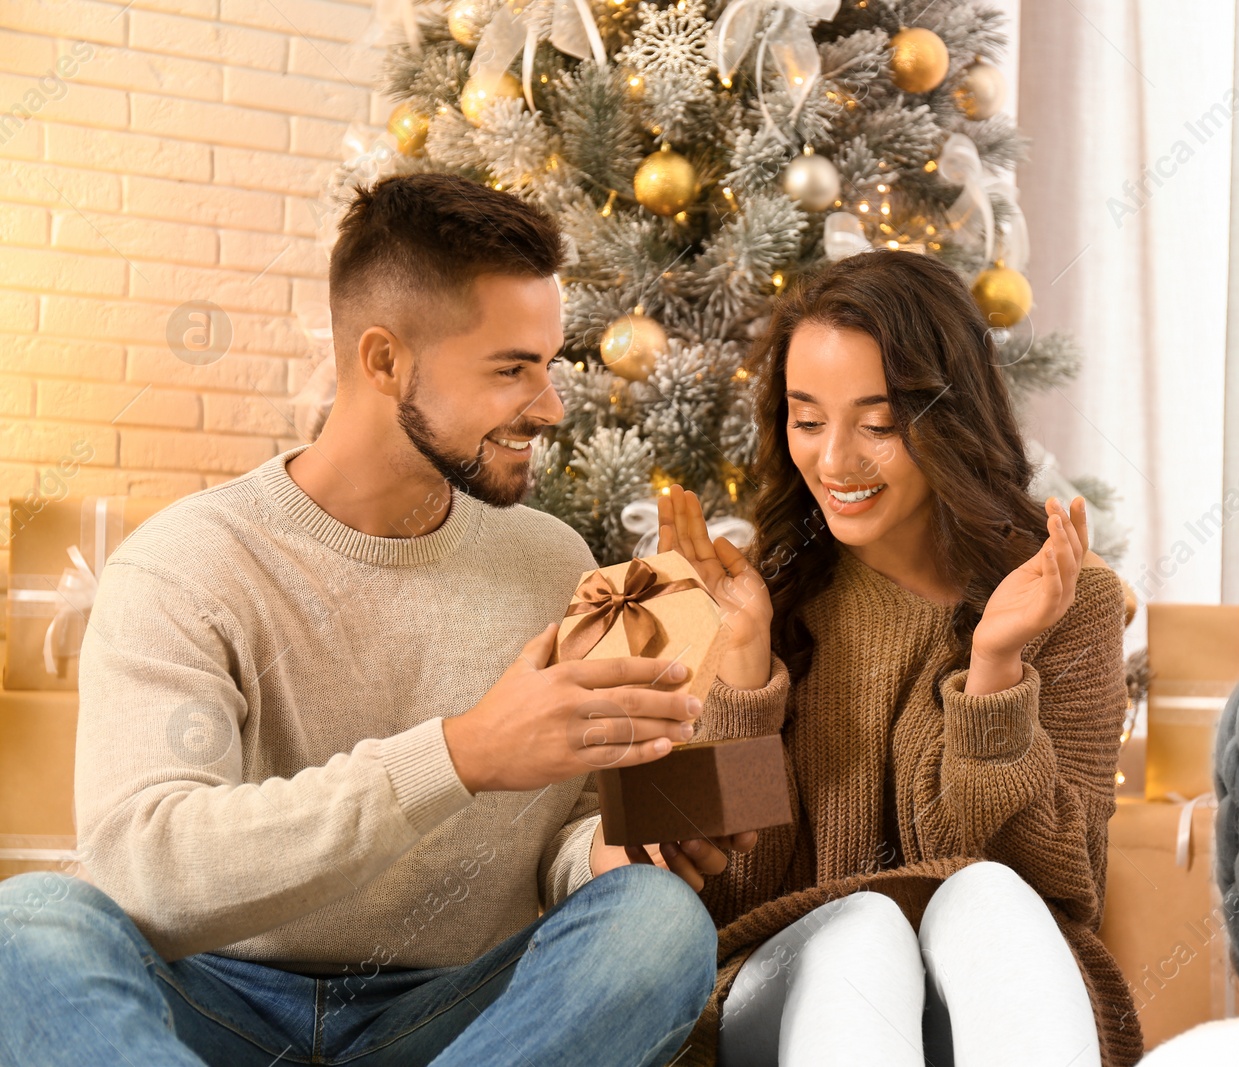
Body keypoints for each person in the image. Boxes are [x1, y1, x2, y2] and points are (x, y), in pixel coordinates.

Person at [0, 173, 749, 1066]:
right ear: (384, 359)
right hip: (212, 1001)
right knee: (30, 922)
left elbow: (565, 839)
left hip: (456, 1014)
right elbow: (143, 865)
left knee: (657, 922)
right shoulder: (186, 562)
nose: (549, 405)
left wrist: (615, 852)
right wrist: (460, 755)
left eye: (549, 365)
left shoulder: (553, 561)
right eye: (512, 369)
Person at [650, 250, 1144, 1066]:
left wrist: (995, 673)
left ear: (949, 419)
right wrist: (742, 670)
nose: (836, 461)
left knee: (985, 892)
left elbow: (1065, 884)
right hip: (792, 986)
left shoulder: (1066, 598)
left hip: (988, 986)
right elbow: (724, 896)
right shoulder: (756, 595)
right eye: (807, 421)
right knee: (864, 931)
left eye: (878, 425)